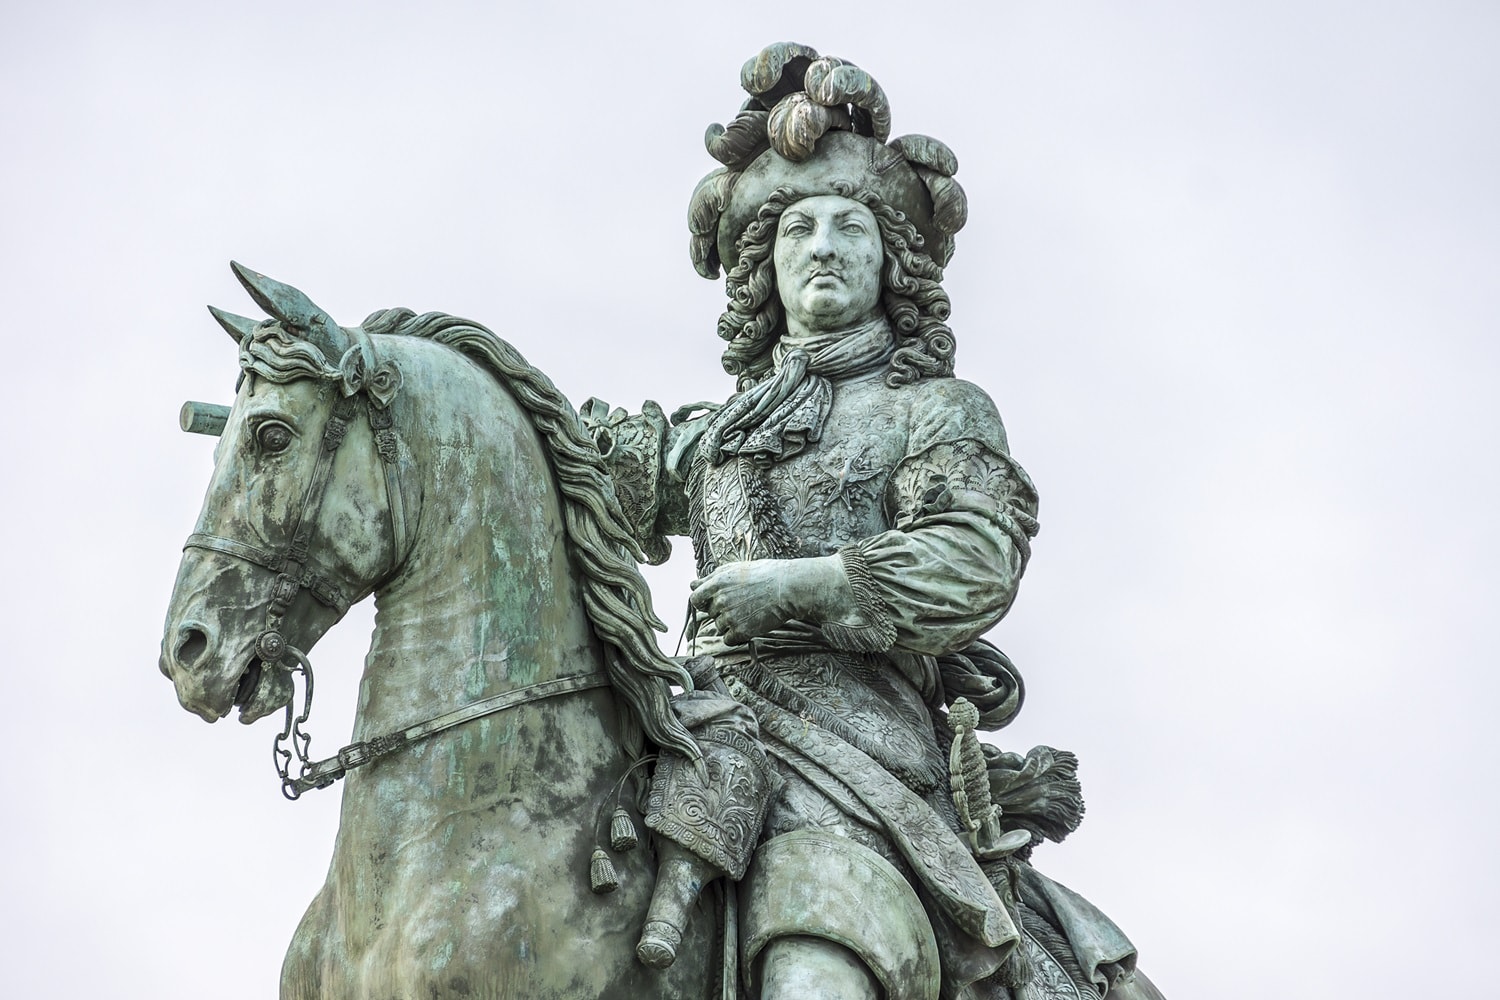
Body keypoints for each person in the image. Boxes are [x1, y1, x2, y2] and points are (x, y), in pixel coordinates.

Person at [585, 43, 1146, 1000]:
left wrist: (800, 586)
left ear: (892, 257)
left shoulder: (936, 409)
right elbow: (569, 469)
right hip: (696, 733)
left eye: (851, 224)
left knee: (816, 957)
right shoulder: (712, 434)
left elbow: (972, 559)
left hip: (855, 762)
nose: (824, 245)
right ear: (764, 264)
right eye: (797, 227)